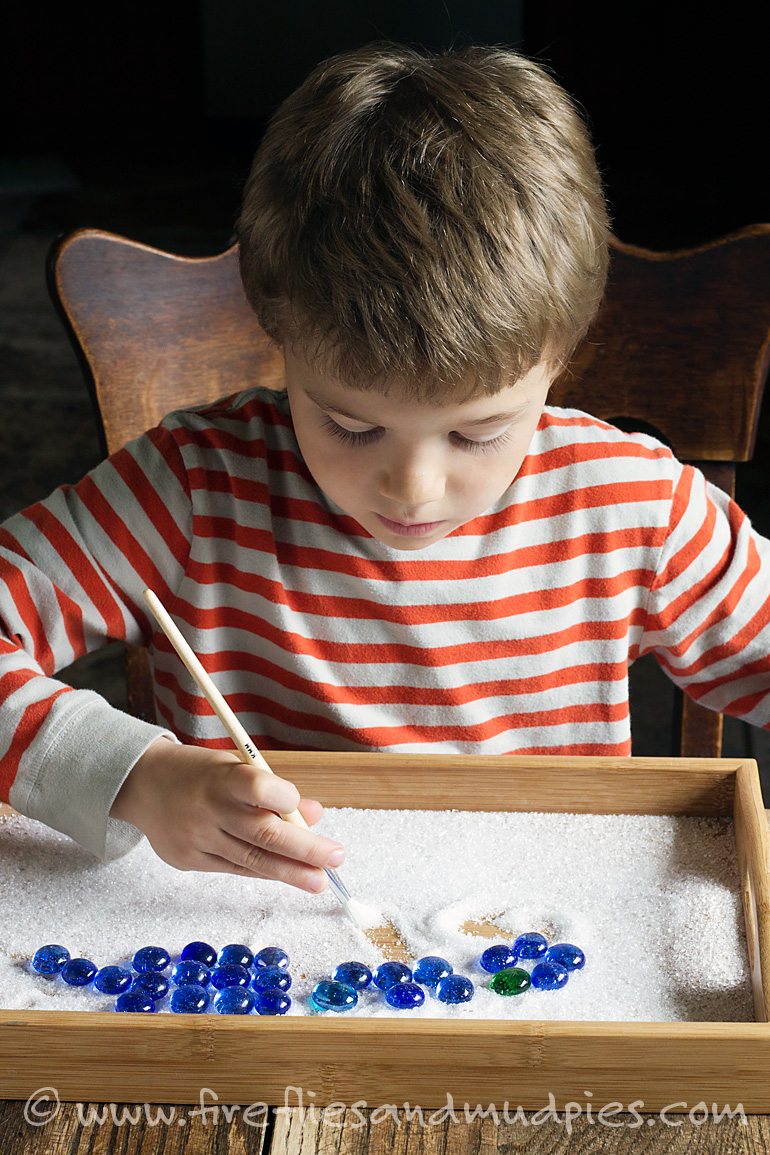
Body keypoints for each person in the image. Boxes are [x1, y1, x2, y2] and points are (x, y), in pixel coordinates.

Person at [1, 43, 768, 894]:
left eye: (478, 433)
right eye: (351, 425)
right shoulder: (189, 490)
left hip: (547, 937)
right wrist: (135, 778)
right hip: (256, 934)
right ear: (278, 333)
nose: (414, 487)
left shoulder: (633, 508)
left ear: (562, 356)